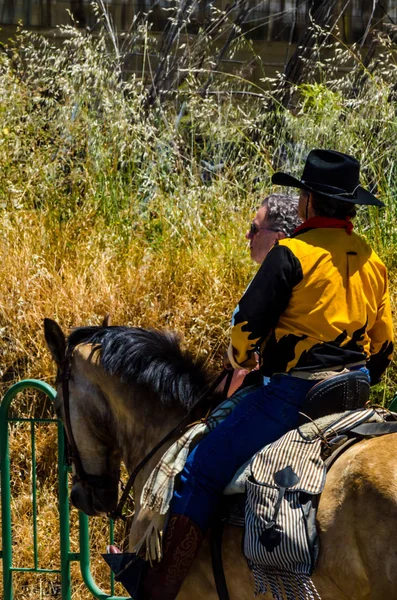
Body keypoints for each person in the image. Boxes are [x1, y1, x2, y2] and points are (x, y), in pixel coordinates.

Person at [115, 149, 394, 600]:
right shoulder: (372, 260)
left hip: (296, 395)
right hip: (355, 393)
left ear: (308, 201)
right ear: (349, 206)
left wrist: (248, 357)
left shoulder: (292, 254)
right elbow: (383, 346)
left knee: (201, 469)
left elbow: (245, 334)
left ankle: (160, 587)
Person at [226, 193, 300, 396]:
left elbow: (247, 366)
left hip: (273, 393)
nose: (248, 236)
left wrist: (220, 407)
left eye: (254, 229)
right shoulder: (310, 271)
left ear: (279, 237)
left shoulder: (271, 282)